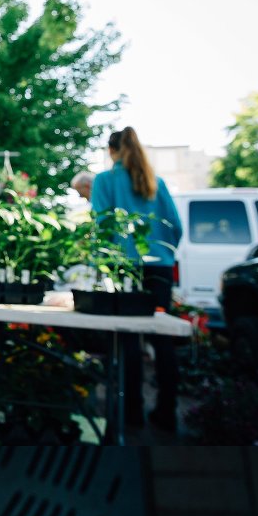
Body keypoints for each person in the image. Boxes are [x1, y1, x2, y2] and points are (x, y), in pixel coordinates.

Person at [91, 127, 183, 432]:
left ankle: (131, 413)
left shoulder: (104, 181)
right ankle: (167, 413)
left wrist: (101, 262)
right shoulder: (156, 182)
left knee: (128, 337)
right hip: (159, 269)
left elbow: (101, 226)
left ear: (111, 151)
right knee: (162, 335)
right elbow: (176, 226)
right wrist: (163, 255)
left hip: (123, 267)